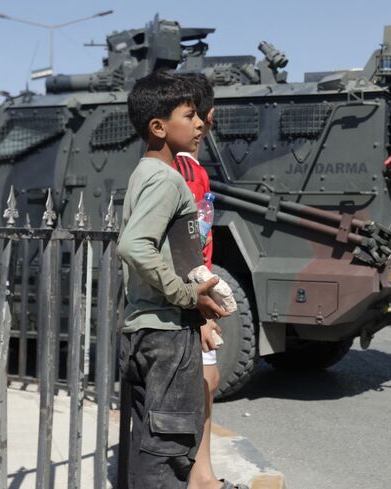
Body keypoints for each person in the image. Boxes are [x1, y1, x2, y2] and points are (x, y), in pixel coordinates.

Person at [117, 70, 230, 489]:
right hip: (167, 335)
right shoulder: (166, 180)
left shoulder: (144, 173)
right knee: (169, 454)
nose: (201, 123)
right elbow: (134, 245)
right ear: (159, 127)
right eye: (190, 115)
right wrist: (186, 294)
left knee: (149, 445)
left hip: (145, 331)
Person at [173, 73, 248, 489]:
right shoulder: (187, 170)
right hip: (189, 299)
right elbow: (186, 246)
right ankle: (200, 479)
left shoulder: (184, 167)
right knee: (201, 382)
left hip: (190, 297)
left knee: (207, 382)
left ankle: (204, 476)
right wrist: (200, 313)